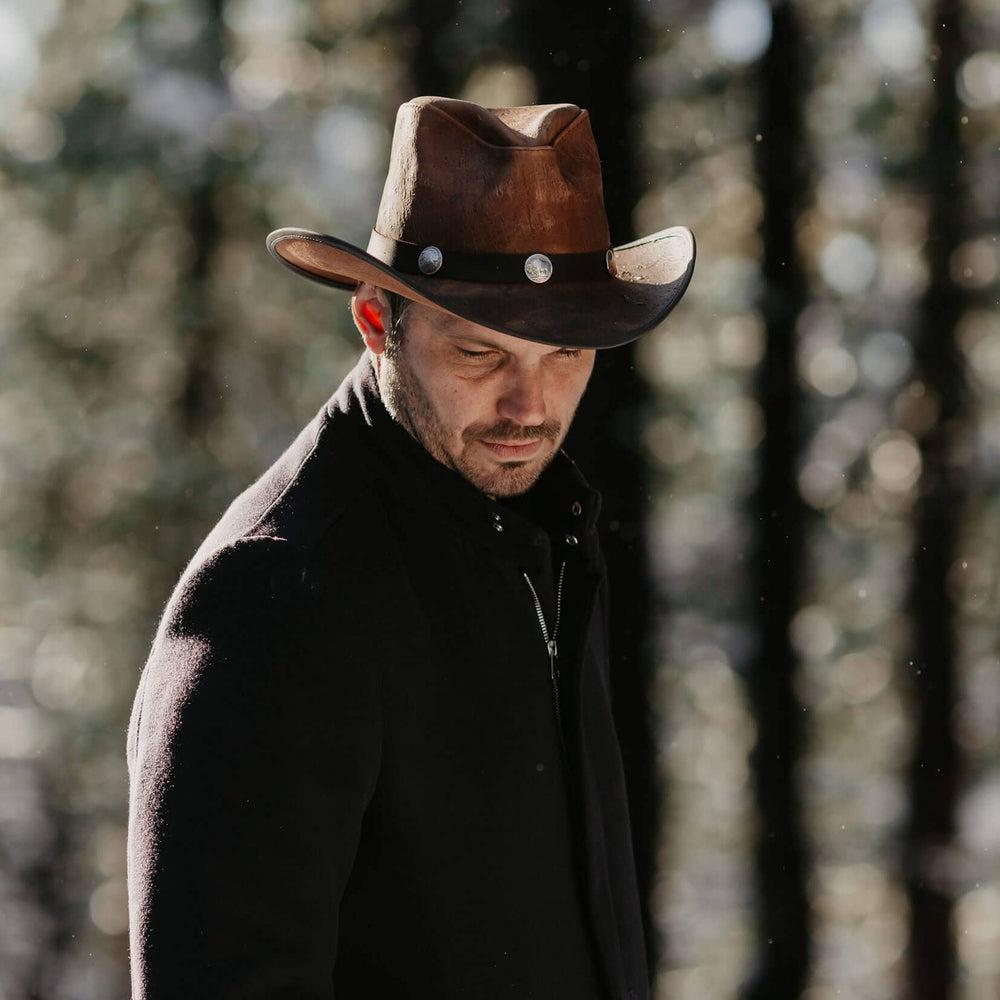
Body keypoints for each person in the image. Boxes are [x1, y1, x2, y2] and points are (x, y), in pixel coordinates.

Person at [126, 95, 695, 1000]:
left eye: (564, 358)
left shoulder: (541, 533)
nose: (529, 408)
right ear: (378, 323)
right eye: (480, 355)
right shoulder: (280, 591)